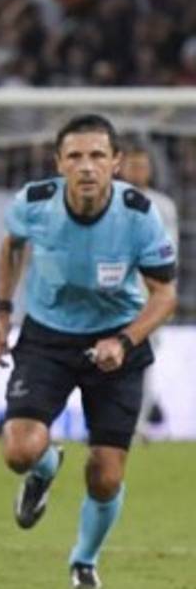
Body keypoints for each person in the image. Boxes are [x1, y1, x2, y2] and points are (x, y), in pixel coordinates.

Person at [0, 115, 177, 589]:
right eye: (75, 156)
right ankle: (44, 469)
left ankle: (84, 562)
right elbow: (11, 245)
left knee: (105, 476)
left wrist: (125, 341)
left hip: (117, 340)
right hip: (48, 338)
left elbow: (165, 295)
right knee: (19, 451)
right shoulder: (34, 203)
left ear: (115, 163)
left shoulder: (139, 215)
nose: (87, 166)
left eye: (97, 155)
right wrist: (2, 312)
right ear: (59, 163)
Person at [118, 148, 179, 439]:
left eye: (142, 166)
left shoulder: (163, 206)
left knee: (143, 362)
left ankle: (137, 423)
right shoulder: (111, 200)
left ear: (150, 170)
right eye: (133, 165)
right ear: (121, 167)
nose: (138, 171)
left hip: (149, 297)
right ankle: (108, 421)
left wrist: (168, 294)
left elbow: (170, 252)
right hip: (114, 295)